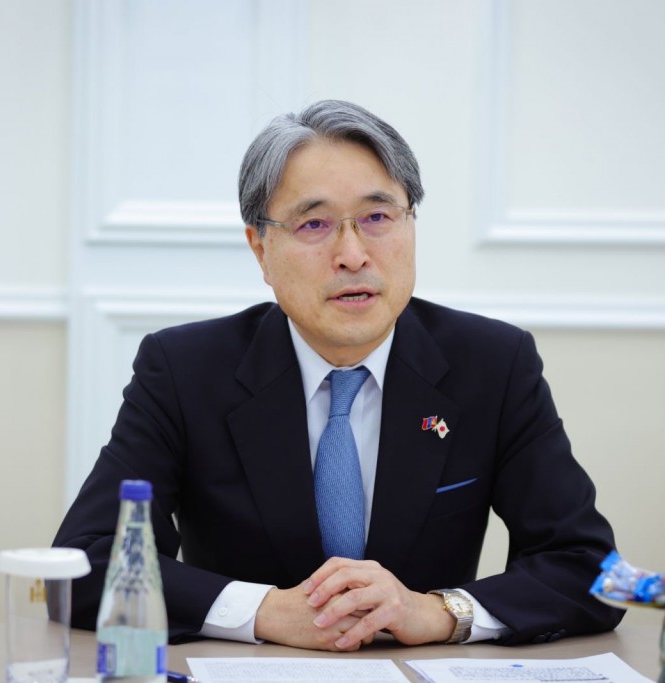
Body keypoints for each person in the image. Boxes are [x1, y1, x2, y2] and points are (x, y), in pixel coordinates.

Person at [53, 99, 624, 651]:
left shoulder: (493, 365)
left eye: (377, 217)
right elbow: (86, 562)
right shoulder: (185, 370)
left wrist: (438, 612)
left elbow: (591, 569)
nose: (353, 254)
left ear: (411, 224)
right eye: (314, 224)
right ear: (260, 249)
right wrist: (264, 611)